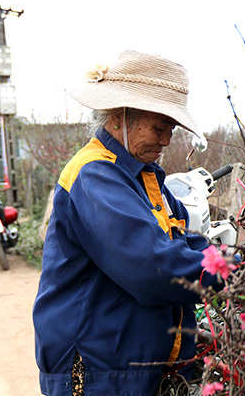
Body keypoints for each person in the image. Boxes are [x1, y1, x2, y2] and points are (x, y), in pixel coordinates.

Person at [33, 50, 225, 396]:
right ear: (120, 117)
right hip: (97, 372)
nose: (166, 140)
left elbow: (182, 239)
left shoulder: (145, 177)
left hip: (134, 368)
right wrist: (231, 272)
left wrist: (229, 257)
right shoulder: (95, 174)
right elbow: (153, 265)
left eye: (170, 128)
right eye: (159, 127)